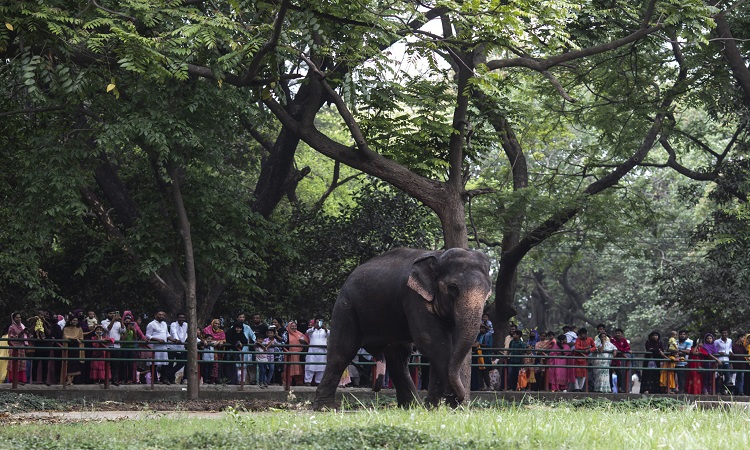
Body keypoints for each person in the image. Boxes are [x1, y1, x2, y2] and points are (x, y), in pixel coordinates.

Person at [145, 310, 171, 384]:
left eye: (163, 315)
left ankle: (164, 378)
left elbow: (167, 334)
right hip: (155, 346)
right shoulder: (151, 324)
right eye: (160, 314)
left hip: (163, 346)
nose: (161, 316)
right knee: (154, 363)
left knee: (164, 363)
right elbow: (148, 335)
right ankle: (155, 379)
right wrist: (157, 339)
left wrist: (174, 340)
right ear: (155, 315)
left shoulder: (164, 324)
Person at [100, 309, 124, 385]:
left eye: (114, 313)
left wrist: (121, 321)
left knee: (116, 364)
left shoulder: (118, 323)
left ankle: (115, 380)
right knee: (106, 364)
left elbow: (123, 331)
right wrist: (113, 320)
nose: (113, 315)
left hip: (117, 346)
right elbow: (107, 329)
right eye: (111, 313)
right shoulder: (103, 322)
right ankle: (105, 380)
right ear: (107, 314)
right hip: (107, 346)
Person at [304, 318, 329, 386]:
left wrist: (325, 328)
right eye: (317, 322)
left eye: (319, 322)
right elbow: (307, 332)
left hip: (322, 351)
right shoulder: (311, 331)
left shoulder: (325, 331)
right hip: (312, 351)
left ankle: (319, 382)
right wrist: (314, 327)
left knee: (321, 367)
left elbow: (331, 334)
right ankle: (307, 381)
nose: (318, 324)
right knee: (310, 367)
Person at [282, 320, 308, 386]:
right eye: (292, 326)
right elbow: (282, 344)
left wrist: (303, 342)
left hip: (298, 354)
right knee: (288, 368)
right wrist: (287, 352)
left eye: (295, 326)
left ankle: (299, 382)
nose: (294, 327)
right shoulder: (286, 334)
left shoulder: (300, 334)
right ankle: (287, 383)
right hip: (289, 354)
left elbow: (306, 343)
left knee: (299, 369)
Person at [61, 315, 84, 385]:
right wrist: (74, 339)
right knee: (68, 364)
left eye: (76, 321)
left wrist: (76, 339)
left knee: (75, 364)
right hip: (68, 348)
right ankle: (67, 380)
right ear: (70, 321)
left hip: (76, 348)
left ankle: (71, 380)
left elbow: (81, 338)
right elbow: (65, 336)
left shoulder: (79, 329)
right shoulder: (66, 329)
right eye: (74, 320)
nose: (75, 322)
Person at [201, 319, 226, 383]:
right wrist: (204, 341)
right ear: (212, 323)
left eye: (218, 324)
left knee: (216, 366)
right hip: (208, 351)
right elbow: (202, 337)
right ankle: (207, 380)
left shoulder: (221, 332)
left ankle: (215, 380)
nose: (217, 325)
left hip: (217, 352)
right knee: (207, 367)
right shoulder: (207, 330)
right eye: (215, 323)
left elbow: (224, 340)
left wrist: (219, 341)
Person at [7, 313, 29, 384]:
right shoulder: (11, 327)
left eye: (20, 317)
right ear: (14, 318)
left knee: (21, 364)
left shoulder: (21, 327)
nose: (19, 319)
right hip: (14, 347)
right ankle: (14, 379)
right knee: (14, 363)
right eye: (17, 317)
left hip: (21, 347)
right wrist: (20, 333)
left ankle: (21, 380)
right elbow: (10, 338)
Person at [167, 313, 188, 384]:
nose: (182, 319)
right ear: (177, 318)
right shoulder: (173, 324)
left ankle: (170, 374)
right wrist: (176, 339)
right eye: (180, 317)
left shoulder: (186, 325)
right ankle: (170, 379)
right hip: (172, 346)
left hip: (181, 347)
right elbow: (174, 332)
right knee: (170, 363)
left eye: (183, 317)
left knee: (182, 363)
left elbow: (188, 334)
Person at [611, 328, 632, 393]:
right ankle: (610, 388)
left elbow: (628, 347)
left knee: (619, 374)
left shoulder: (623, 340)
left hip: (618, 360)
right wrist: (624, 350)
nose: (617, 334)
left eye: (619, 333)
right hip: (611, 359)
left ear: (621, 334)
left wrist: (621, 350)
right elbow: (615, 347)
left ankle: (619, 388)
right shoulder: (612, 339)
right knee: (609, 373)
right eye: (616, 333)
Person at [715, 329, 733, 394]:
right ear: (721, 334)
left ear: (728, 334)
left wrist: (731, 352)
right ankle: (718, 390)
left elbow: (730, 348)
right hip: (720, 360)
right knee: (720, 376)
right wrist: (719, 352)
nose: (724, 334)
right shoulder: (717, 341)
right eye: (723, 333)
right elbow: (714, 349)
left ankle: (723, 388)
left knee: (728, 376)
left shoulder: (730, 340)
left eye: (726, 333)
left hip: (727, 360)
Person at [675, 330, 693, 394]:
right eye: (681, 334)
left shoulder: (688, 343)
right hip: (673, 361)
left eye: (684, 334)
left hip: (682, 363)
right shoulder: (675, 342)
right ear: (678, 335)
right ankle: (672, 389)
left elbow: (688, 351)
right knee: (672, 376)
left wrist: (679, 350)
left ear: (686, 335)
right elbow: (670, 349)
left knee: (681, 377)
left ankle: (681, 390)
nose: (682, 335)